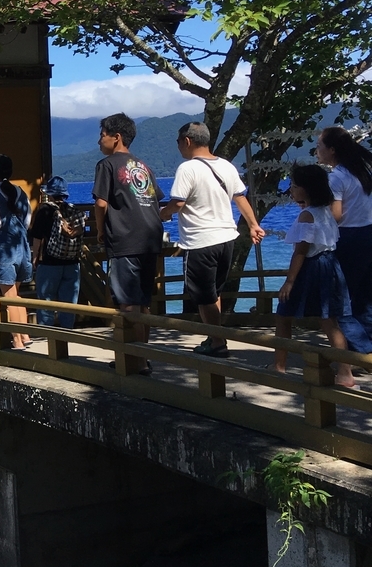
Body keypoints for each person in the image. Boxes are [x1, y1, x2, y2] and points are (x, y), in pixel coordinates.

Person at [159, 122, 266, 356]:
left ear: (187, 141)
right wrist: (253, 225)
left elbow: (178, 203)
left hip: (201, 240)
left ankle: (218, 342)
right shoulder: (226, 166)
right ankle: (214, 338)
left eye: (178, 141)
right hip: (227, 238)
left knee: (204, 295)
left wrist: (161, 215)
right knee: (213, 292)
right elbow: (240, 198)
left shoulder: (188, 169)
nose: (178, 146)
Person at [271, 164, 358, 389]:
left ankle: (279, 366)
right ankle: (345, 373)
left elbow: (301, 251)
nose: (291, 189)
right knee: (330, 321)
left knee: (283, 315)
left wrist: (289, 281)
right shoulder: (325, 211)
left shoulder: (307, 216)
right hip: (330, 265)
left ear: (307, 189)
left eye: (295, 186)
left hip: (312, 268)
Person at [93, 113, 164, 369]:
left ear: (116, 137)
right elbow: (156, 200)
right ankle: (141, 357)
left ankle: (131, 360)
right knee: (143, 302)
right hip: (151, 238)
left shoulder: (107, 165)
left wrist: (101, 230)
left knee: (127, 302)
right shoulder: (144, 166)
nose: (99, 140)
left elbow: (101, 203)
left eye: (102, 135)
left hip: (125, 238)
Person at [316, 126, 372, 352]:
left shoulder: (337, 177)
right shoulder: (365, 169)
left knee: (341, 298)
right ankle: (365, 345)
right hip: (369, 232)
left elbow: (336, 216)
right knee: (365, 297)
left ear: (331, 150)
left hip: (350, 237)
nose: (317, 151)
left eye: (319, 146)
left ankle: (361, 350)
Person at [0, 153, 32, 349]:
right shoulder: (21, 191)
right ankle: (26, 335)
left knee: (8, 297)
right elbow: (27, 221)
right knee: (16, 295)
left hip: (4, 247)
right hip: (22, 246)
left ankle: (17, 340)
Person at [29, 176, 84, 329]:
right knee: (69, 302)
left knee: (45, 300)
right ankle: (67, 332)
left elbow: (37, 237)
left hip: (50, 262)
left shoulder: (45, 211)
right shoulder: (72, 210)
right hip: (72, 262)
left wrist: (35, 257)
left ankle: (47, 334)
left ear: (50, 194)